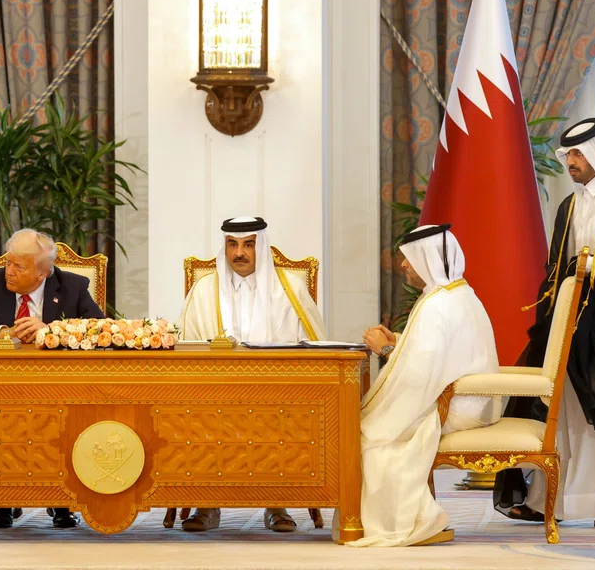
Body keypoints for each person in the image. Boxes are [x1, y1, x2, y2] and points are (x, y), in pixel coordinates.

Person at [494, 117, 595, 529]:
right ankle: (549, 498)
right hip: (569, 321)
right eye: (568, 154)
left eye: (580, 153)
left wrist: (586, 276)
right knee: (562, 408)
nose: (572, 161)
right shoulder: (570, 205)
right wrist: (559, 297)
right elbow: (556, 265)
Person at [342, 224, 501, 547]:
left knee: (372, 437)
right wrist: (398, 341)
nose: (402, 265)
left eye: (409, 258)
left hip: (458, 405)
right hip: (464, 397)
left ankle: (415, 521)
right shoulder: (454, 294)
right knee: (372, 427)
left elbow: (421, 376)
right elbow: (435, 358)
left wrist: (385, 351)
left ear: (428, 259)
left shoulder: (440, 305)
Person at [177, 216, 327, 533]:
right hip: (214, 390)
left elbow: (313, 346)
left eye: (248, 245)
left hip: (277, 390)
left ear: (261, 247)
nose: (239, 253)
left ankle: (276, 503)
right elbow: (186, 345)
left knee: (280, 413)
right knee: (200, 413)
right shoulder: (205, 290)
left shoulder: (290, 288)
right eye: (232, 244)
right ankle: (206, 503)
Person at [0, 228, 104, 529]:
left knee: (63, 417)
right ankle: (4, 500)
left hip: (60, 386)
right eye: (8, 262)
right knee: (3, 417)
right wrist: (1, 332)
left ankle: (62, 500)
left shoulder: (72, 286)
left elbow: (99, 328)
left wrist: (49, 329)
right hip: (1, 386)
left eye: (18, 266)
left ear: (43, 273)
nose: (8, 271)